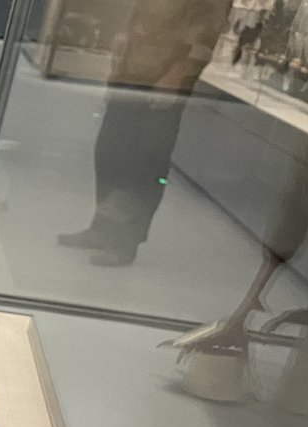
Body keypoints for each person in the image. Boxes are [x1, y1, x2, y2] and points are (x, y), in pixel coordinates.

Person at [57, 0, 233, 266]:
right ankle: (102, 227)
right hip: (132, 72)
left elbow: (207, 31)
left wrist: (177, 75)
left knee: (144, 163)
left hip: (165, 77)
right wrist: (123, 43)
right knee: (110, 151)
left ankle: (124, 241)